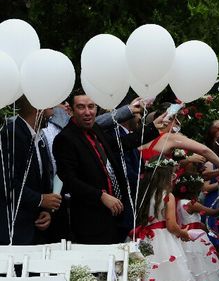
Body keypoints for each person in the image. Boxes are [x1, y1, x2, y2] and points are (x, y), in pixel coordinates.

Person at [52, 93, 164, 244]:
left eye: (91, 107)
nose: (87, 112)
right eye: (81, 107)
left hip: (115, 213)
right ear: (71, 111)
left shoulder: (95, 129)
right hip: (90, 219)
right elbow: (69, 179)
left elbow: (122, 144)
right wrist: (100, 195)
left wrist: (153, 128)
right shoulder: (65, 139)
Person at [135, 157, 202, 281]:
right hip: (161, 242)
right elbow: (172, 225)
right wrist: (185, 234)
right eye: (172, 173)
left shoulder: (143, 193)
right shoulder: (167, 196)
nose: (174, 176)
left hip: (142, 240)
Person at [0, 97, 60, 245]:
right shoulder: (12, 134)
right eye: (49, 108)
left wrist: (46, 210)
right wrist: (40, 199)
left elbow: (41, 181)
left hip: (37, 229)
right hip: (15, 231)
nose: (52, 114)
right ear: (37, 108)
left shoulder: (38, 138)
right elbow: (7, 183)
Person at [174, 171, 219, 281]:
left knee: (192, 265)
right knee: (202, 264)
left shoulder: (178, 202)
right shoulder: (191, 203)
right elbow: (213, 212)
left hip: (185, 235)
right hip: (196, 237)